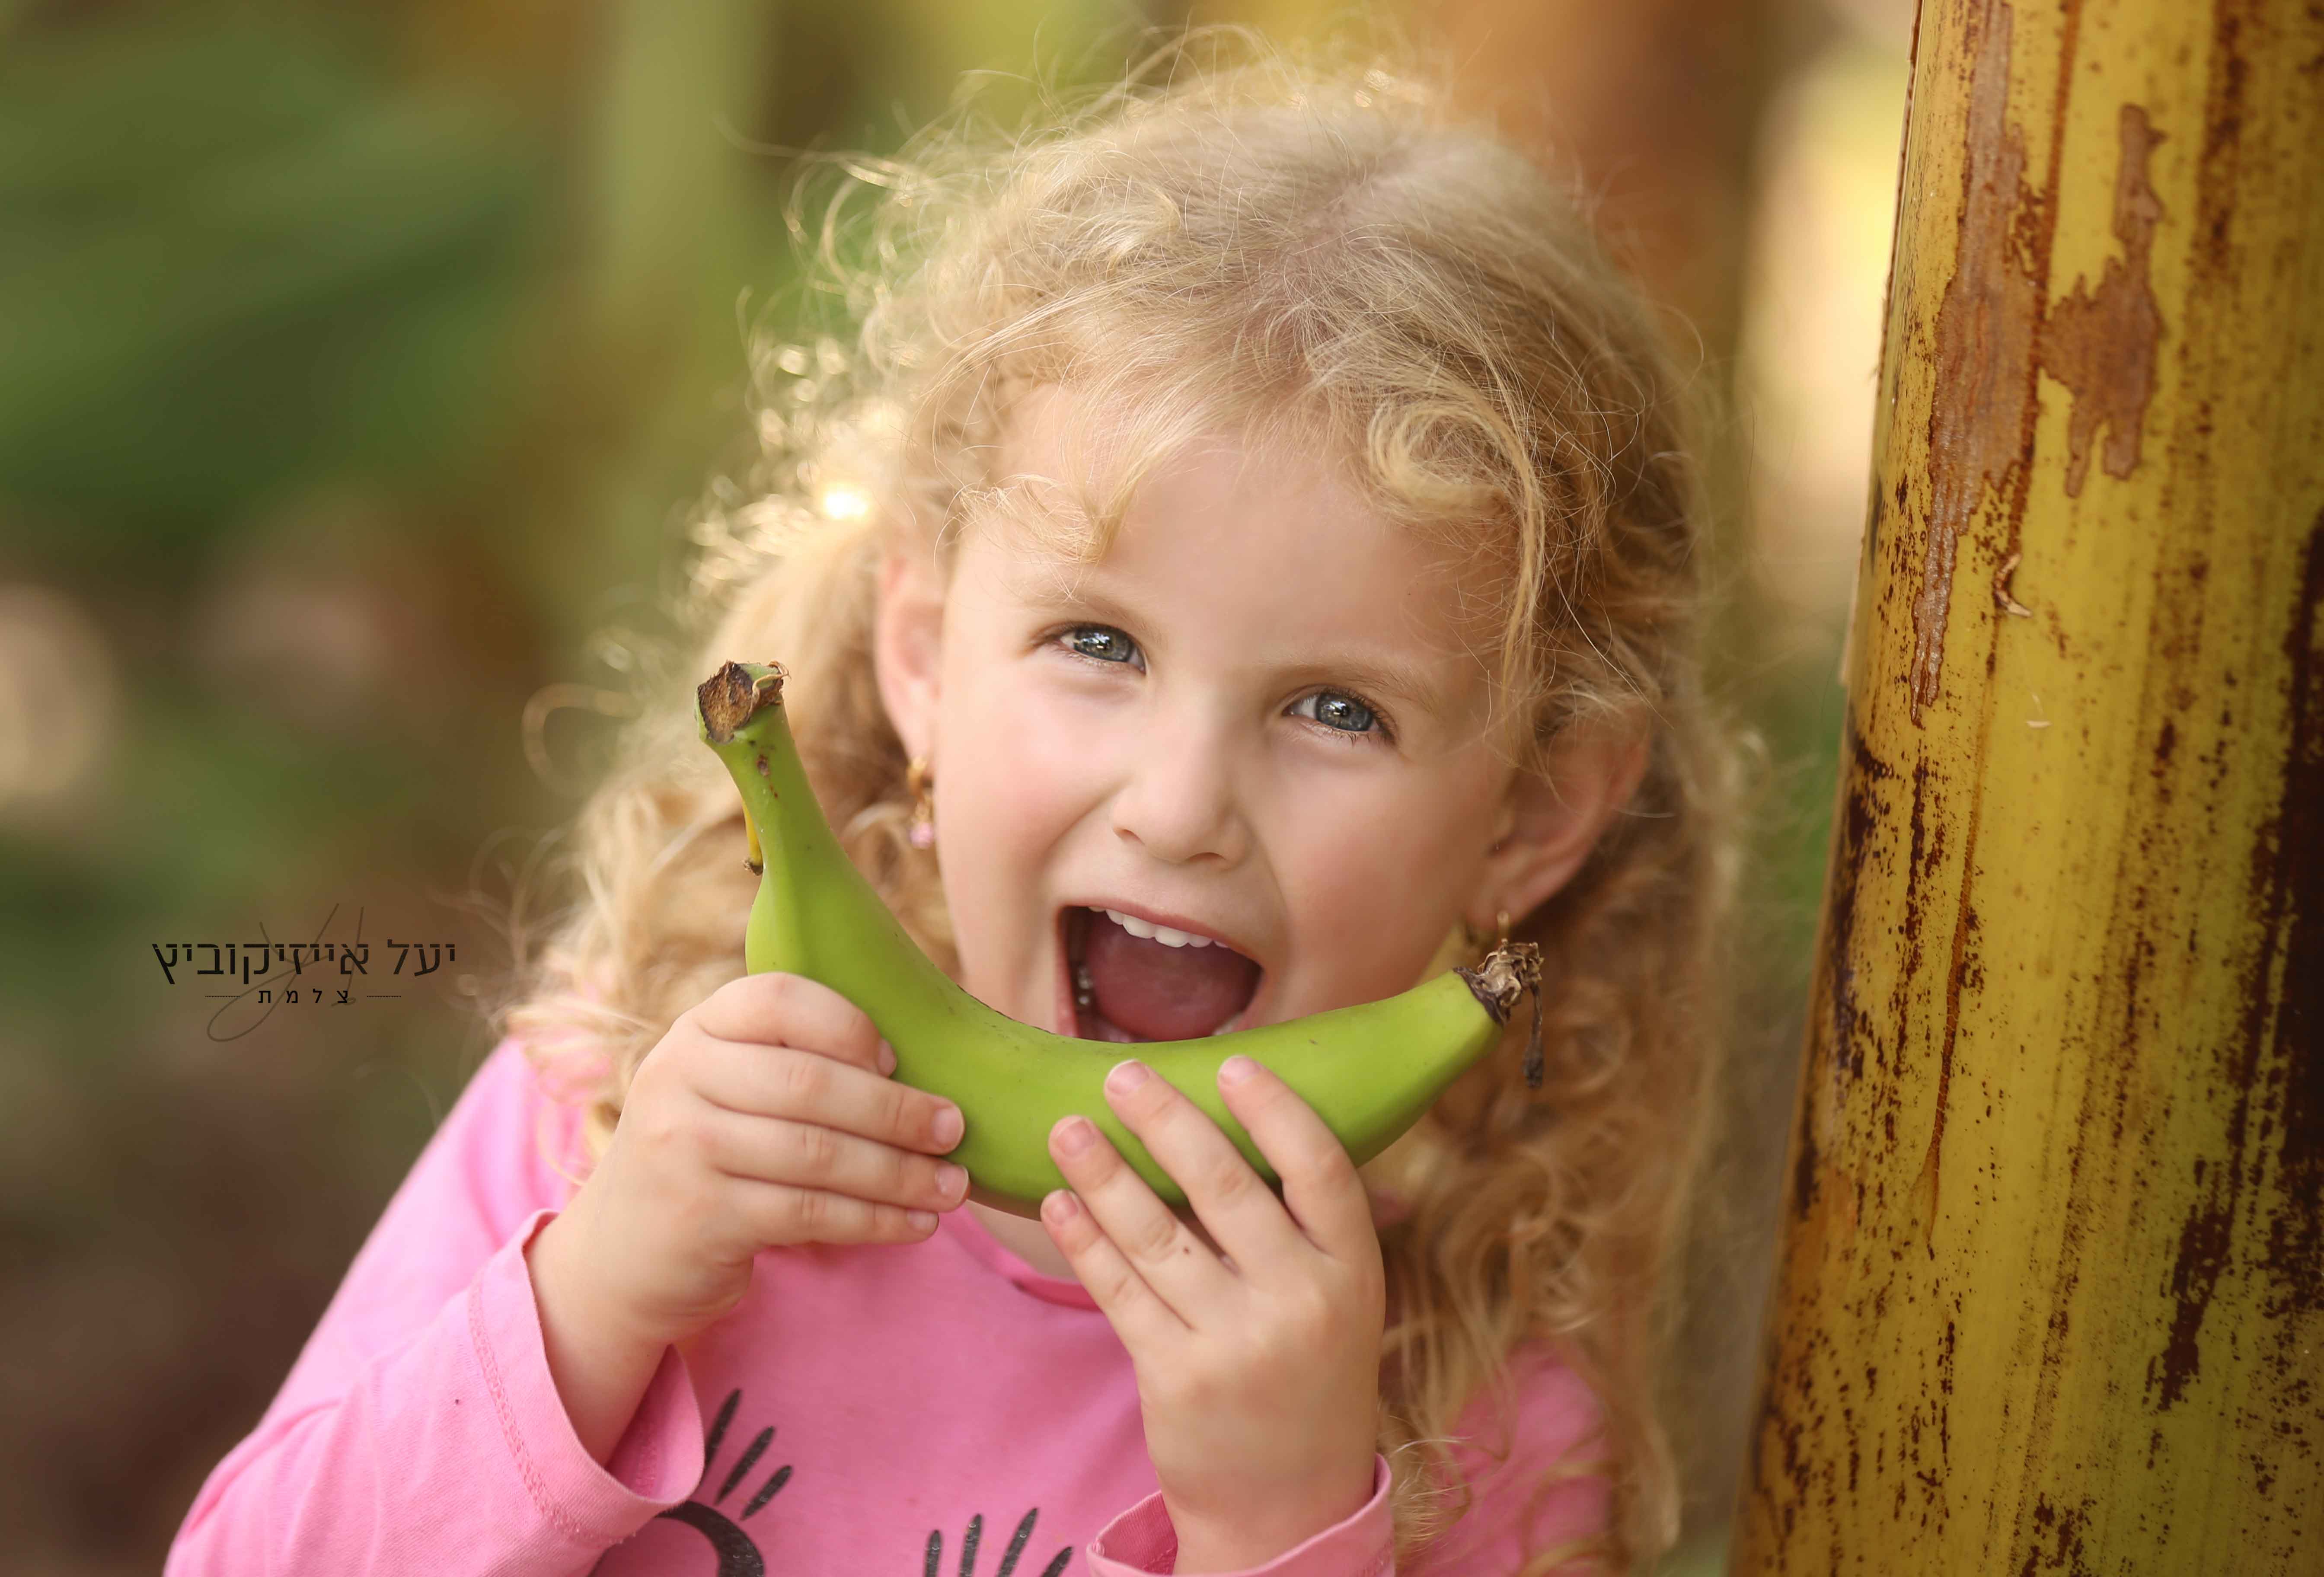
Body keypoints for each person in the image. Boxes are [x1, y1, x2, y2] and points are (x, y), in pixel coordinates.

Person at [165, 24, 1740, 1577]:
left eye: (1338, 711)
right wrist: (597, 1296)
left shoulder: (1477, 1420)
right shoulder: (622, 1098)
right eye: (1098, 644)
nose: (1180, 806)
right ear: (920, 653)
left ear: (1534, 817)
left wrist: (1280, 1526)